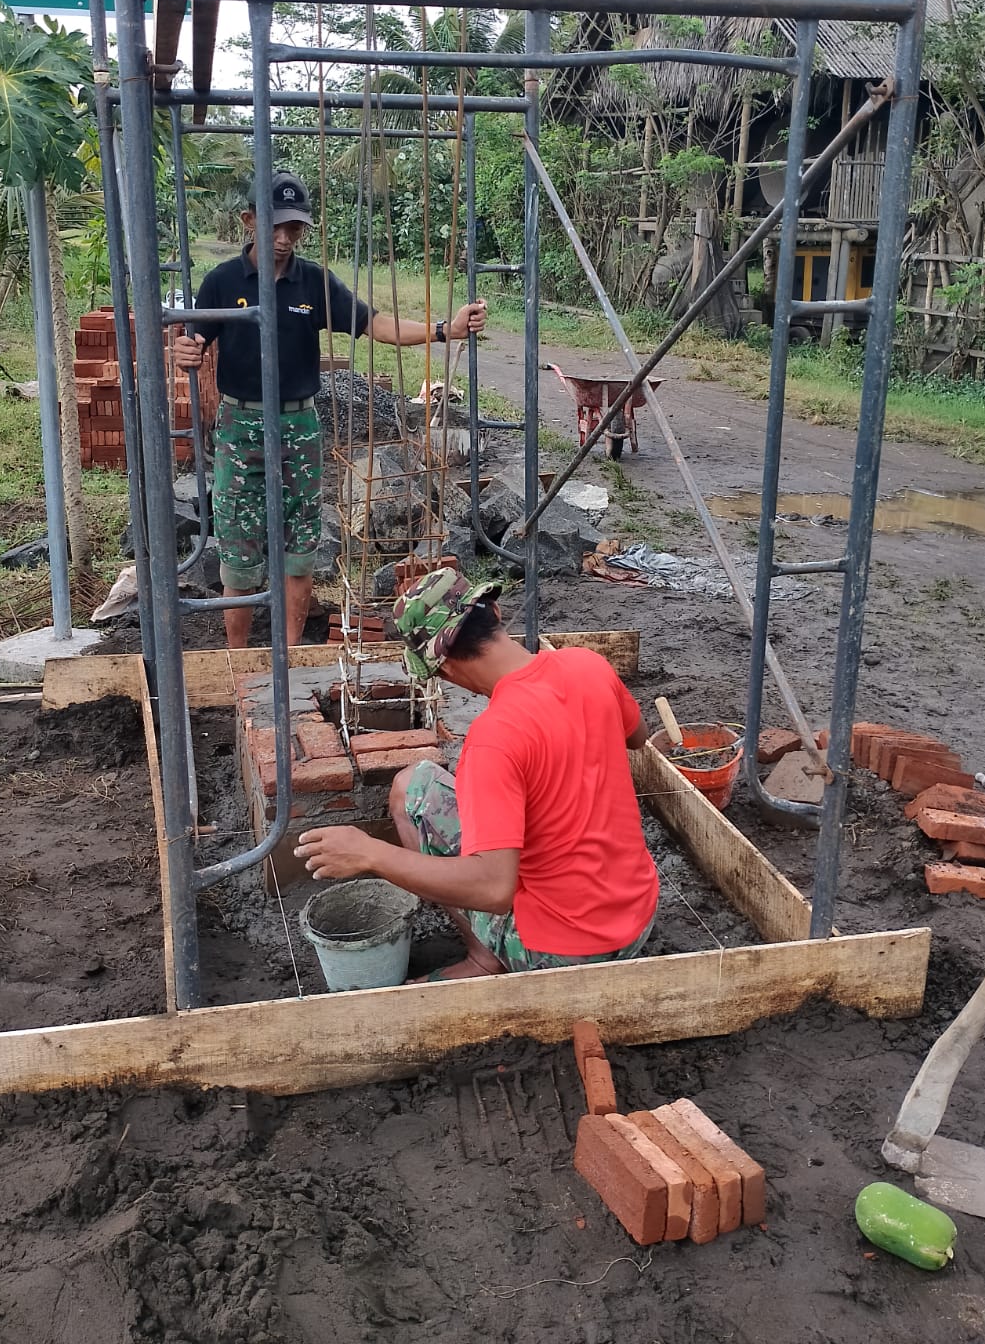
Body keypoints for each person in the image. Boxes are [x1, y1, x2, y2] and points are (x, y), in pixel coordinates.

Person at [174, 173, 487, 648]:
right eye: (274, 226)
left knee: (299, 548)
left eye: (294, 229)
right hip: (241, 428)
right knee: (238, 548)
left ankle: (293, 658)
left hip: (299, 424)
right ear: (248, 220)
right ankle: (236, 664)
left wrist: (445, 330)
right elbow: (194, 338)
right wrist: (186, 351)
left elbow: (374, 322)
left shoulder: (314, 282)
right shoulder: (222, 282)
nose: (283, 239)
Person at [297, 569, 659, 979]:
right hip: (636, 919)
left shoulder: (494, 739)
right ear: (495, 611)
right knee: (414, 784)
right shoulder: (587, 664)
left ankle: (486, 956)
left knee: (414, 793)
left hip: (562, 956)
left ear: (445, 670)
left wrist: (370, 854)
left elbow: (492, 888)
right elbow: (638, 737)